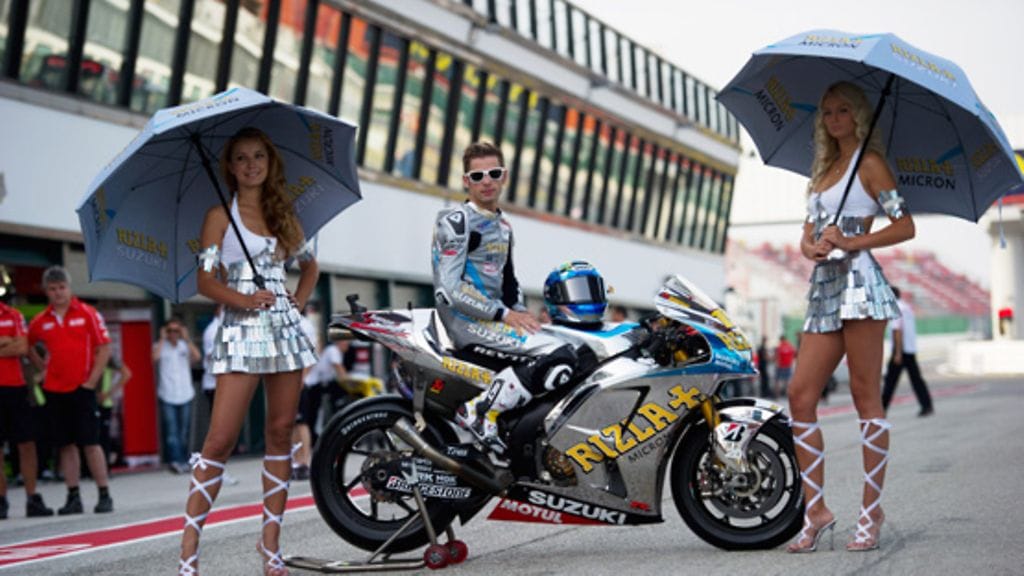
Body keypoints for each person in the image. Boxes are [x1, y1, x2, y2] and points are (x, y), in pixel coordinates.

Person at [178, 127, 319, 576]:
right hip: (239, 330)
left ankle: (271, 545)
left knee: (280, 433)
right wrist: (243, 300)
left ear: (269, 162)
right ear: (230, 167)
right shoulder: (219, 215)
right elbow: (204, 281)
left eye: (259, 156)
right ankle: (188, 549)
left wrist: (296, 303)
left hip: (284, 332)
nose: (251, 164)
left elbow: (311, 267)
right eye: (241, 158)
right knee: (219, 440)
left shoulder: (285, 215)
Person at [785, 82, 915, 553]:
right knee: (800, 395)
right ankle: (816, 509)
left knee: (865, 396)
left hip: (861, 286)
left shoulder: (871, 164)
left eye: (842, 110)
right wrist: (813, 245)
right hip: (824, 288)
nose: (833, 118)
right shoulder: (823, 170)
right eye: (827, 111)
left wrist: (852, 241)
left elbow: (905, 225)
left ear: (858, 115)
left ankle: (870, 510)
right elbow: (805, 235)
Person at [432, 142, 595, 455]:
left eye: (493, 173)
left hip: (495, 320)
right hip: (465, 322)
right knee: (557, 355)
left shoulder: (503, 226)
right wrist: (504, 315)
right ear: (466, 181)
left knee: (582, 354)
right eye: (477, 176)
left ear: (504, 176)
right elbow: (449, 289)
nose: (487, 181)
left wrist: (523, 314)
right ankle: (480, 412)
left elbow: (509, 284)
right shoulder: (456, 221)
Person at [27, 266, 115, 515]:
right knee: (65, 445)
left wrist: (92, 381)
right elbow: (28, 345)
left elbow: (104, 348)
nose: (58, 293)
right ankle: (73, 496)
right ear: (46, 291)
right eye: (53, 289)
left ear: (69, 287)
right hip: (54, 390)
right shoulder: (40, 321)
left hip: (82, 388)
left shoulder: (87, 313)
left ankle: (104, 493)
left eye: (62, 287)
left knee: (91, 442)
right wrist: (41, 366)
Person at [0, 287, 54, 519]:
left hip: (15, 387)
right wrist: (5, 343)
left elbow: (23, 346)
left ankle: (32, 498)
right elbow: (16, 345)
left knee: (27, 444)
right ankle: (1, 500)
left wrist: (11, 343)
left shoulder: (13, 315)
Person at [153, 317, 200, 474]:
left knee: (184, 431)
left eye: (176, 330)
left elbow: (197, 356)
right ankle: (175, 461)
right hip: (167, 394)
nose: (173, 334)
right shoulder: (160, 346)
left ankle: (184, 460)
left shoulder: (184, 346)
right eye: (170, 330)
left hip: (185, 393)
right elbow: (154, 358)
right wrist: (161, 338)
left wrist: (186, 338)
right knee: (172, 432)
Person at [881, 287, 934, 417]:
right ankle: (926, 405)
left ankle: (881, 410)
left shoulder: (895, 308)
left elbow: (897, 331)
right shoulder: (907, 307)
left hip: (900, 349)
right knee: (916, 379)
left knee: (890, 381)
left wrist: (898, 353)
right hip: (910, 348)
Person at [97, 355, 132, 469]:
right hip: (88, 402)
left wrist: (109, 393)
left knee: (103, 436)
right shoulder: (87, 354)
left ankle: (105, 467)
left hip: (104, 403)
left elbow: (127, 373)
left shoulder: (109, 358)